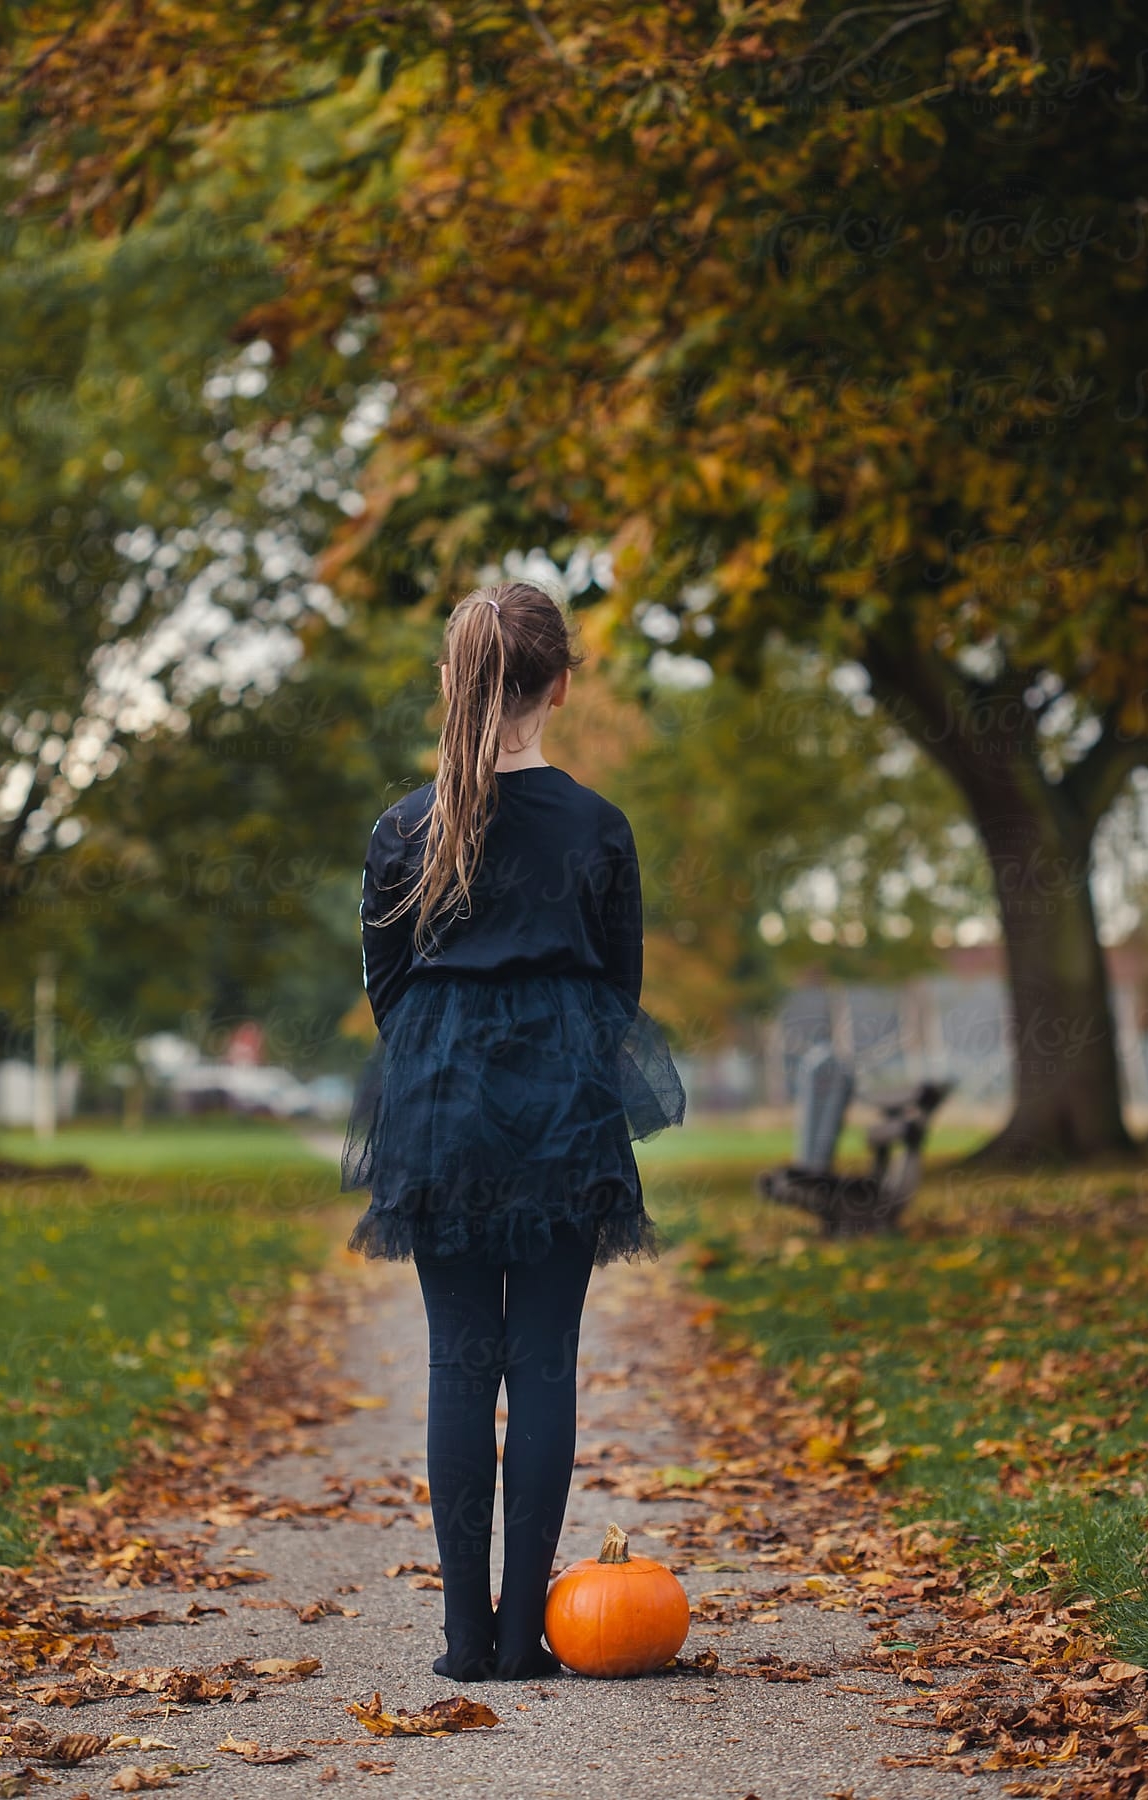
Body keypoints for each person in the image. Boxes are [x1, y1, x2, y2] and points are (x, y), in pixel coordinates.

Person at [341, 579, 686, 1682]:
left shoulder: (407, 825)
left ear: (457, 682)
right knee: (543, 1361)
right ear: (563, 686)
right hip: (564, 1101)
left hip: (439, 1100)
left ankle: (461, 1641)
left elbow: (387, 983)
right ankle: (521, 1637)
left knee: (459, 1361)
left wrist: (451, 1047)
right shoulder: (597, 825)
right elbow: (617, 981)